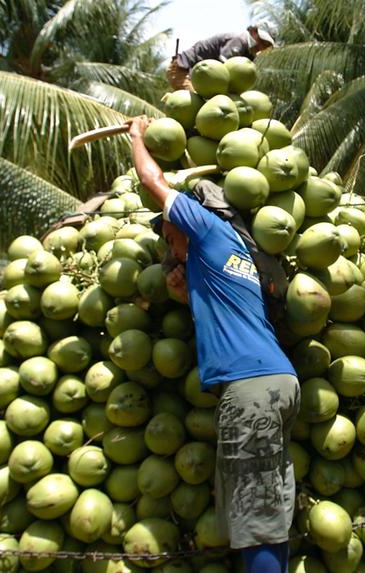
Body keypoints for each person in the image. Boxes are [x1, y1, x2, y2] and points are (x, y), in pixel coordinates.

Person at [127, 116, 299, 573]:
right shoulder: (235, 253)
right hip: (278, 382)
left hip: (248, 390)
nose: (168, 242)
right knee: (269, 507)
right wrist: (184, 293)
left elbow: (152, 181)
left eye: (168, 232)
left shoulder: (203, 227)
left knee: (253, 514)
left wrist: (136, 138)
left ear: (188, 220)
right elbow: (220, 311)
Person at [166, 24, 276, 90]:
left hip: (195, 76)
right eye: (261, 40)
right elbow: (221, 68)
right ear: (252, 31)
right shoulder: (240, 40)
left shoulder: (248, 54)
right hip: (182, 70)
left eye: (266, 45)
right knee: (193, 107)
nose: (261, 46)